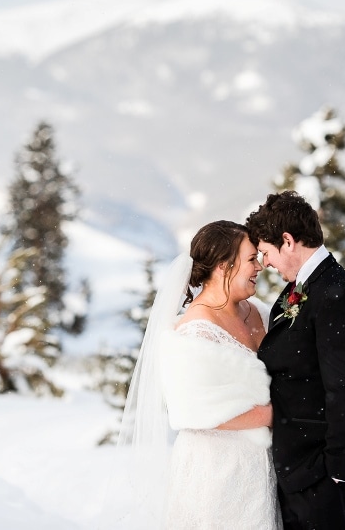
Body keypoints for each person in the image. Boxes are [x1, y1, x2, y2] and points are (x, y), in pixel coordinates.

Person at [116, 220, 281, 529]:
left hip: (264, 468)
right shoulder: (192, 333)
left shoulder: (258, 310)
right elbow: (190, 411)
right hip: (215, 473)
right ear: (223, 266)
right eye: (250, 259)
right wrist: (272, 415)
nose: (259, 266)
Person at [245, 191, 345, 530]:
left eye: (266, 253)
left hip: (323, 476)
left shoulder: (333, 294)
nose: (266, 264)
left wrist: (335, 472)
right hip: (303, 470)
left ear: (287, 241)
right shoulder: (306, 286)